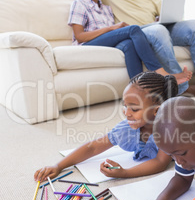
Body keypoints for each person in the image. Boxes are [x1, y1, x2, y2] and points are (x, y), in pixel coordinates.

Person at [10, 0, 195, 97]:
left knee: (135, 42)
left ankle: (141, 89)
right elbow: (79, 29)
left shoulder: (110, 6)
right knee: (135, 30)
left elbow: (120, 29)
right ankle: (164, 75)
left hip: (133, 34)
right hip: (105, 39)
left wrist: (160, 19)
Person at [34, 71, 178, 183]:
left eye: (134, 109)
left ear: (157, 110)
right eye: (125, 106)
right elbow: (94, 147)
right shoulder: (127, 130)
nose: (126, 113)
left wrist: (125, 173)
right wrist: (58, 166)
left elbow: (160, 162)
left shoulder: (169, 130)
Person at [67, 0, 191, 83]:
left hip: (105, 44)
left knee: (129, 44)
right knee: (133, 29)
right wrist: (112, 28)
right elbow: (80, 36)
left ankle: (138, 88)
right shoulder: (79, 4)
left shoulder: (107, 8)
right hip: (87, 45)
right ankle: (160, 72)